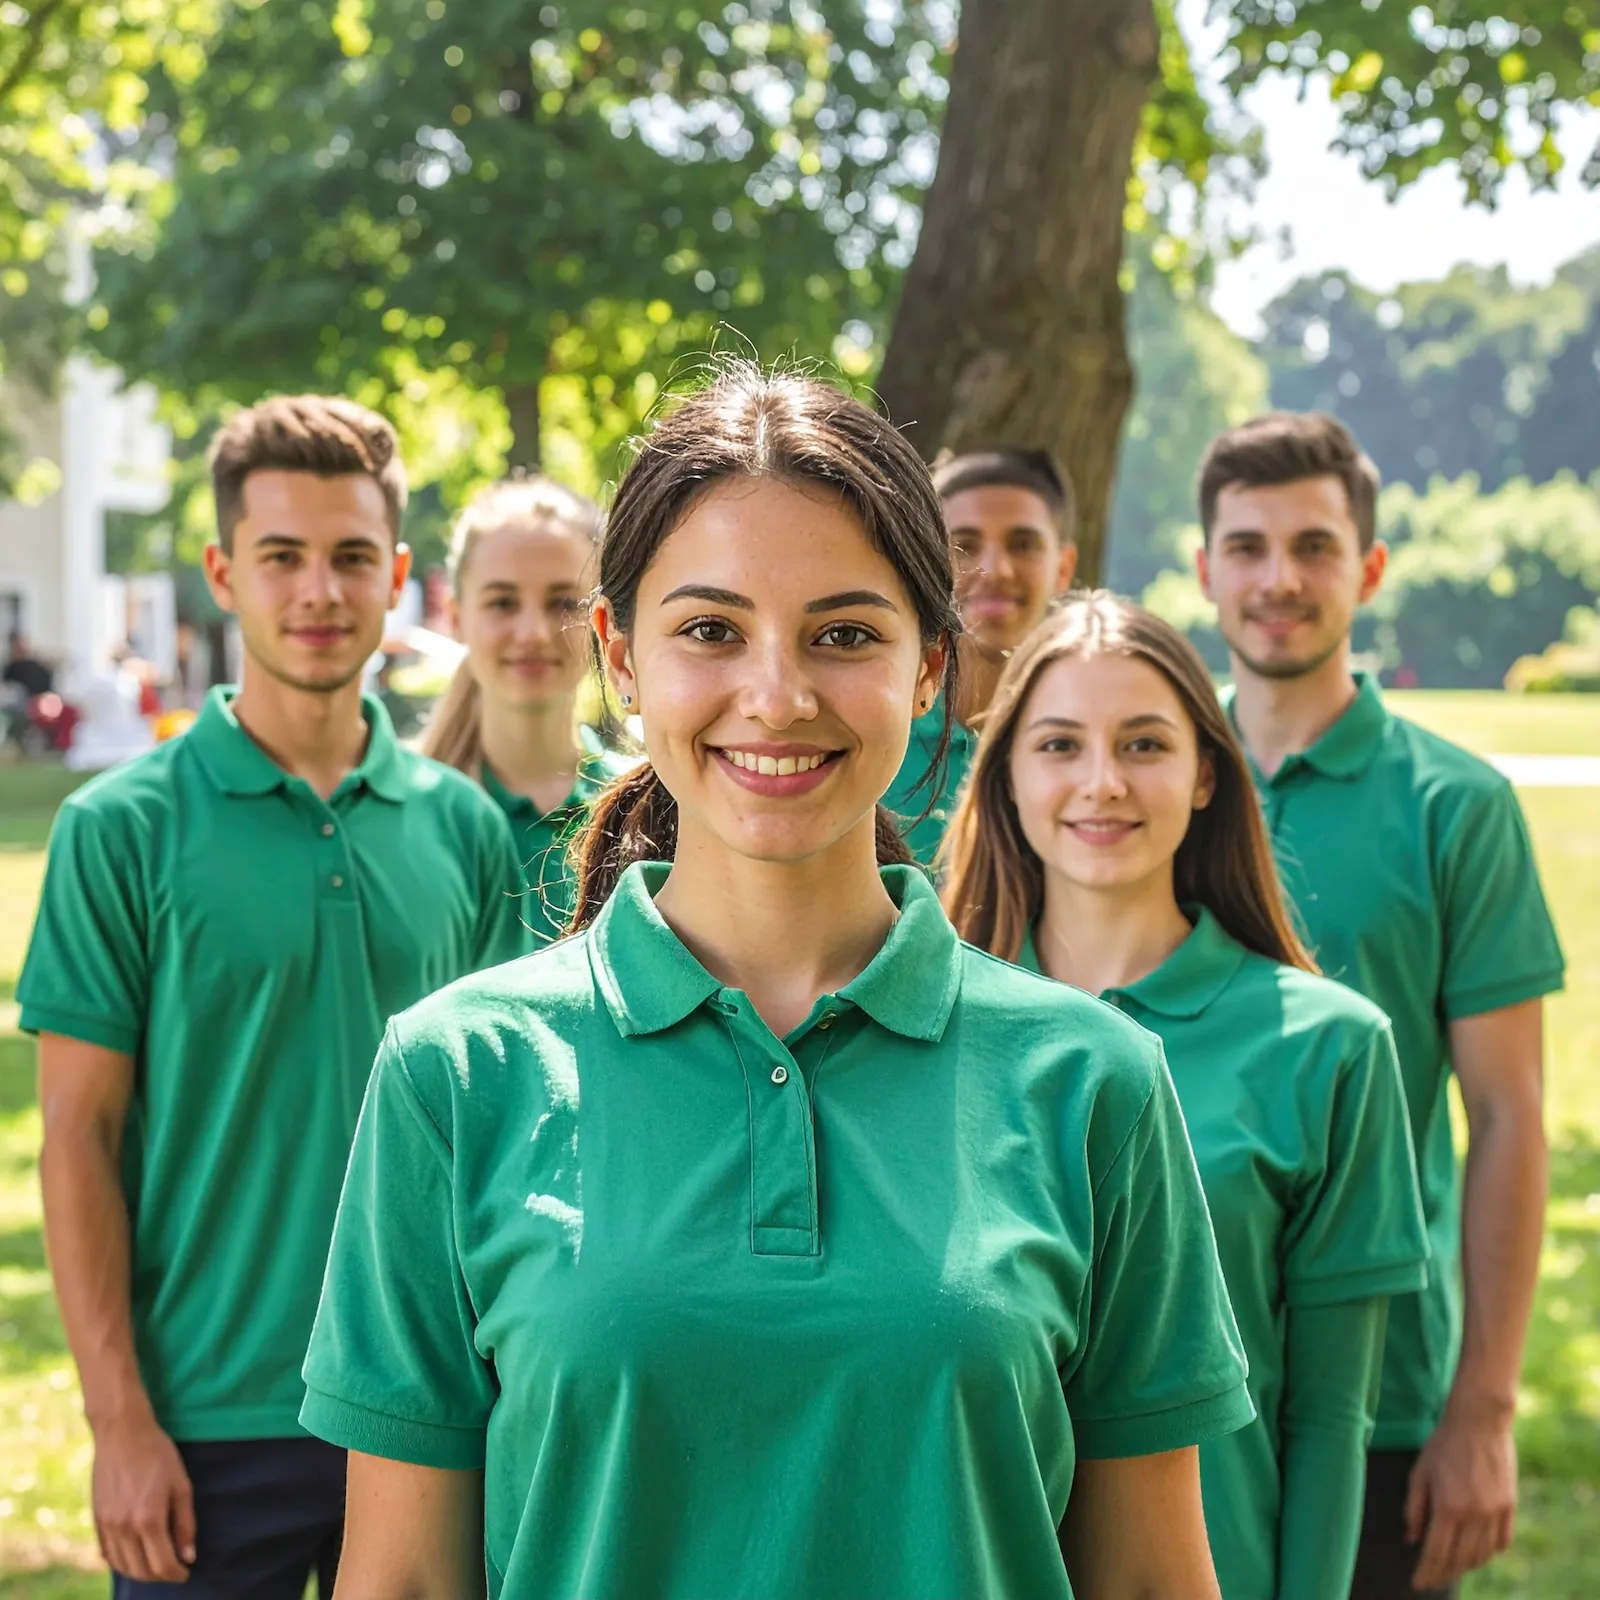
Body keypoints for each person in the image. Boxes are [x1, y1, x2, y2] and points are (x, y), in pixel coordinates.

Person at [298, 366, 1254, 1600]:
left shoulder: (1094, 1084)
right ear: (620, 656)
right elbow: (408, 1583)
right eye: (708, 630)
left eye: (844, 633)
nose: (778, 695)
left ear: (930, 667)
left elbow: (1146, 1581)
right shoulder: (453, 1075)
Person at [19, 395, 526, 1599]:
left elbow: (510, 1138)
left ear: (396, 573)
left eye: (353, 557)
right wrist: (119, 1423)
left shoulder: (464, 830)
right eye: (281, 557)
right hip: (205, 1422)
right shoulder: (120, 830)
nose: (319, 590)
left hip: (427, 1401)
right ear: (222, 573)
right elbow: (77, 1141)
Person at [942, 590, 1431, 1600]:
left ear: (1208, 772)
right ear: (1007, 778)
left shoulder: (1331, 1048)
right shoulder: (919, 1031)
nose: (1102, 782)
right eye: (1060, 745)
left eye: (1145, 744)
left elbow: (1331, 1418)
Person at [1194, 411, 1565, 1599]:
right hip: (1155, 1366)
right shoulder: (1143, 779)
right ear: (1204, 570)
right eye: (1245, 547)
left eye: (1311, 546)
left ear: (1366, 568)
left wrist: (1485, 1407)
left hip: (1387, 1387)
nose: (1277, 578)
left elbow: (1507, 1118)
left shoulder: (1458, 807)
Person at [419, 476, 635, 946]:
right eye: (502, 602)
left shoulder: (651, 804)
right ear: (456, 618)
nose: (534, 631)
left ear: (603, 620)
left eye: (561, 602)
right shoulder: (405, 814)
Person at [882, 447, 1077, 861]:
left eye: (1023, 544)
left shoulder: (1092, 742)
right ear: (927, 562)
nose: (996, 569)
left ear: (1063, 567)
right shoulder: (881, 739)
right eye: (965, 544)